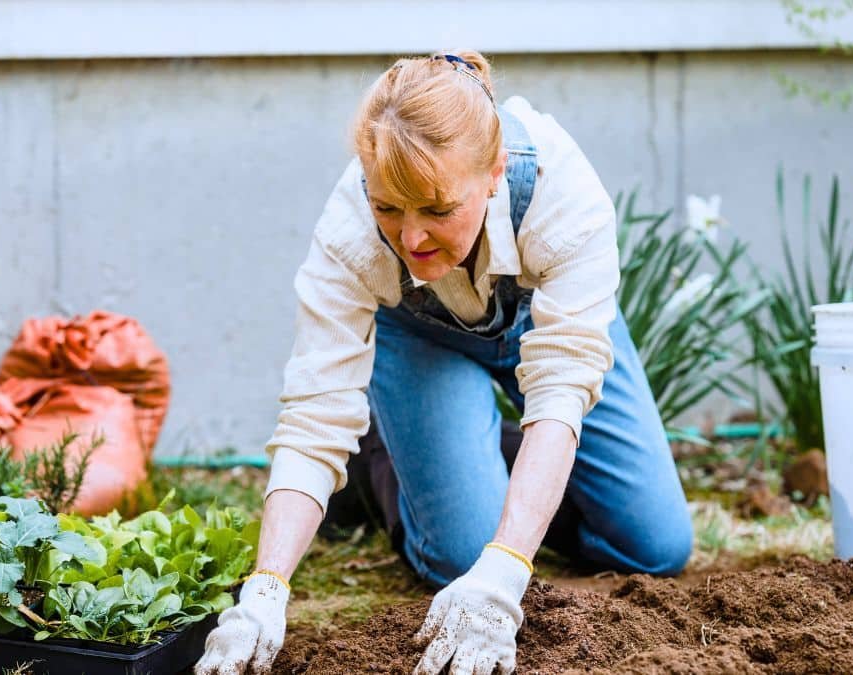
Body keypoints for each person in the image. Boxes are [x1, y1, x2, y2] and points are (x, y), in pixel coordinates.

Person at [196, 50, 692, 675]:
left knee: (654, 547)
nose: (411, 239)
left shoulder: (562, 195)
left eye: (436, 209)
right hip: (420, 339)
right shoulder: (348, 234)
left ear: (493, 173)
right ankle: (386, 462)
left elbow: (562, 387)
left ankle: (462, 450)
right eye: (388, 208)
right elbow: (315, 417)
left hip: (548, 328)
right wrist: (265, 592)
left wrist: (508, 568)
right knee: (461, 554)